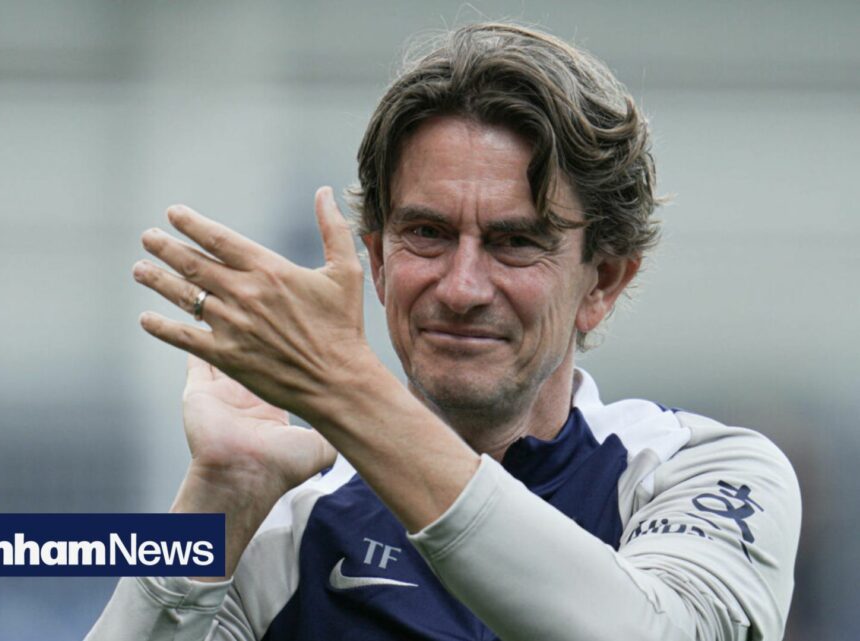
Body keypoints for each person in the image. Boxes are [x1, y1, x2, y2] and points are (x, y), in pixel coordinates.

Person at [85, 22, 800, 641]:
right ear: (377, 260)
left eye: (515, 242)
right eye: (427, 234)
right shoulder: (287, 527)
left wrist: (346, 391)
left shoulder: (700, 472)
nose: (461, 288)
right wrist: (223, 491)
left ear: (602, 281)